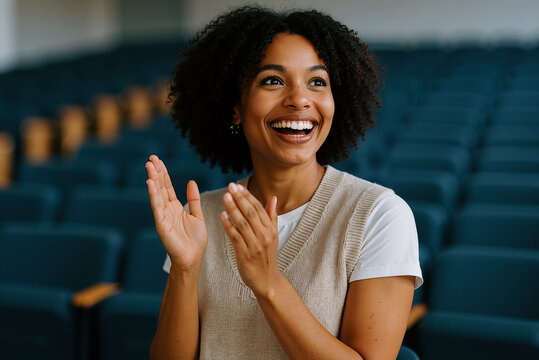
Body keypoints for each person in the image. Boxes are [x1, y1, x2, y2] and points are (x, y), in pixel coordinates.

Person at [146, 6, 422, 360]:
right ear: (234, 106)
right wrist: (185, 267)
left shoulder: (379, 216)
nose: (299, 99)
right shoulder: (200, 220)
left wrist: (269, 283)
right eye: (272, 81)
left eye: (317, 82)